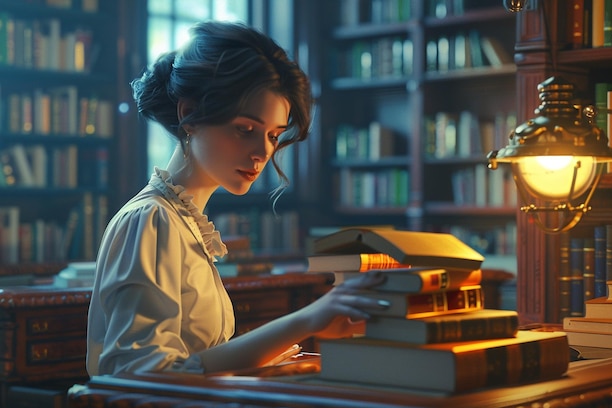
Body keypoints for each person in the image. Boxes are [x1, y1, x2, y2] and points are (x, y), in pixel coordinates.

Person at [86, 20, 389, 376]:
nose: (263, 152)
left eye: (274, 136)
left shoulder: (186, 222)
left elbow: (195, 363)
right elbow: (137, 373)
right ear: (189, 115)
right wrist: (305, 320)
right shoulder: (151, 220)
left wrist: (277, 350)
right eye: (245, 130)